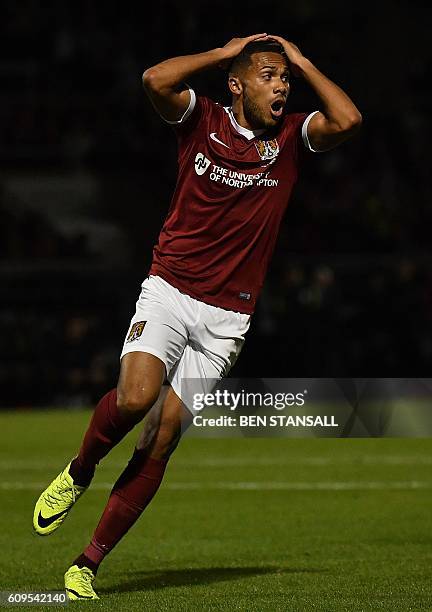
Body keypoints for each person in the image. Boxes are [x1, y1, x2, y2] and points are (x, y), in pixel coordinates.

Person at [33, 33, 361, 600]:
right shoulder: (200, 118)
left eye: (285, 78)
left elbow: (349, 121)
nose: (281, 85)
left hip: (229, 317)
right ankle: (80, 471)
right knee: (136, 399)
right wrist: (223, 52)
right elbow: (153, 80)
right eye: (268, 75)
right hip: (170, 289)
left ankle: (86, 563)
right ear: (237, 83)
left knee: (160, 439)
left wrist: (304, 61)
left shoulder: (289, 138)